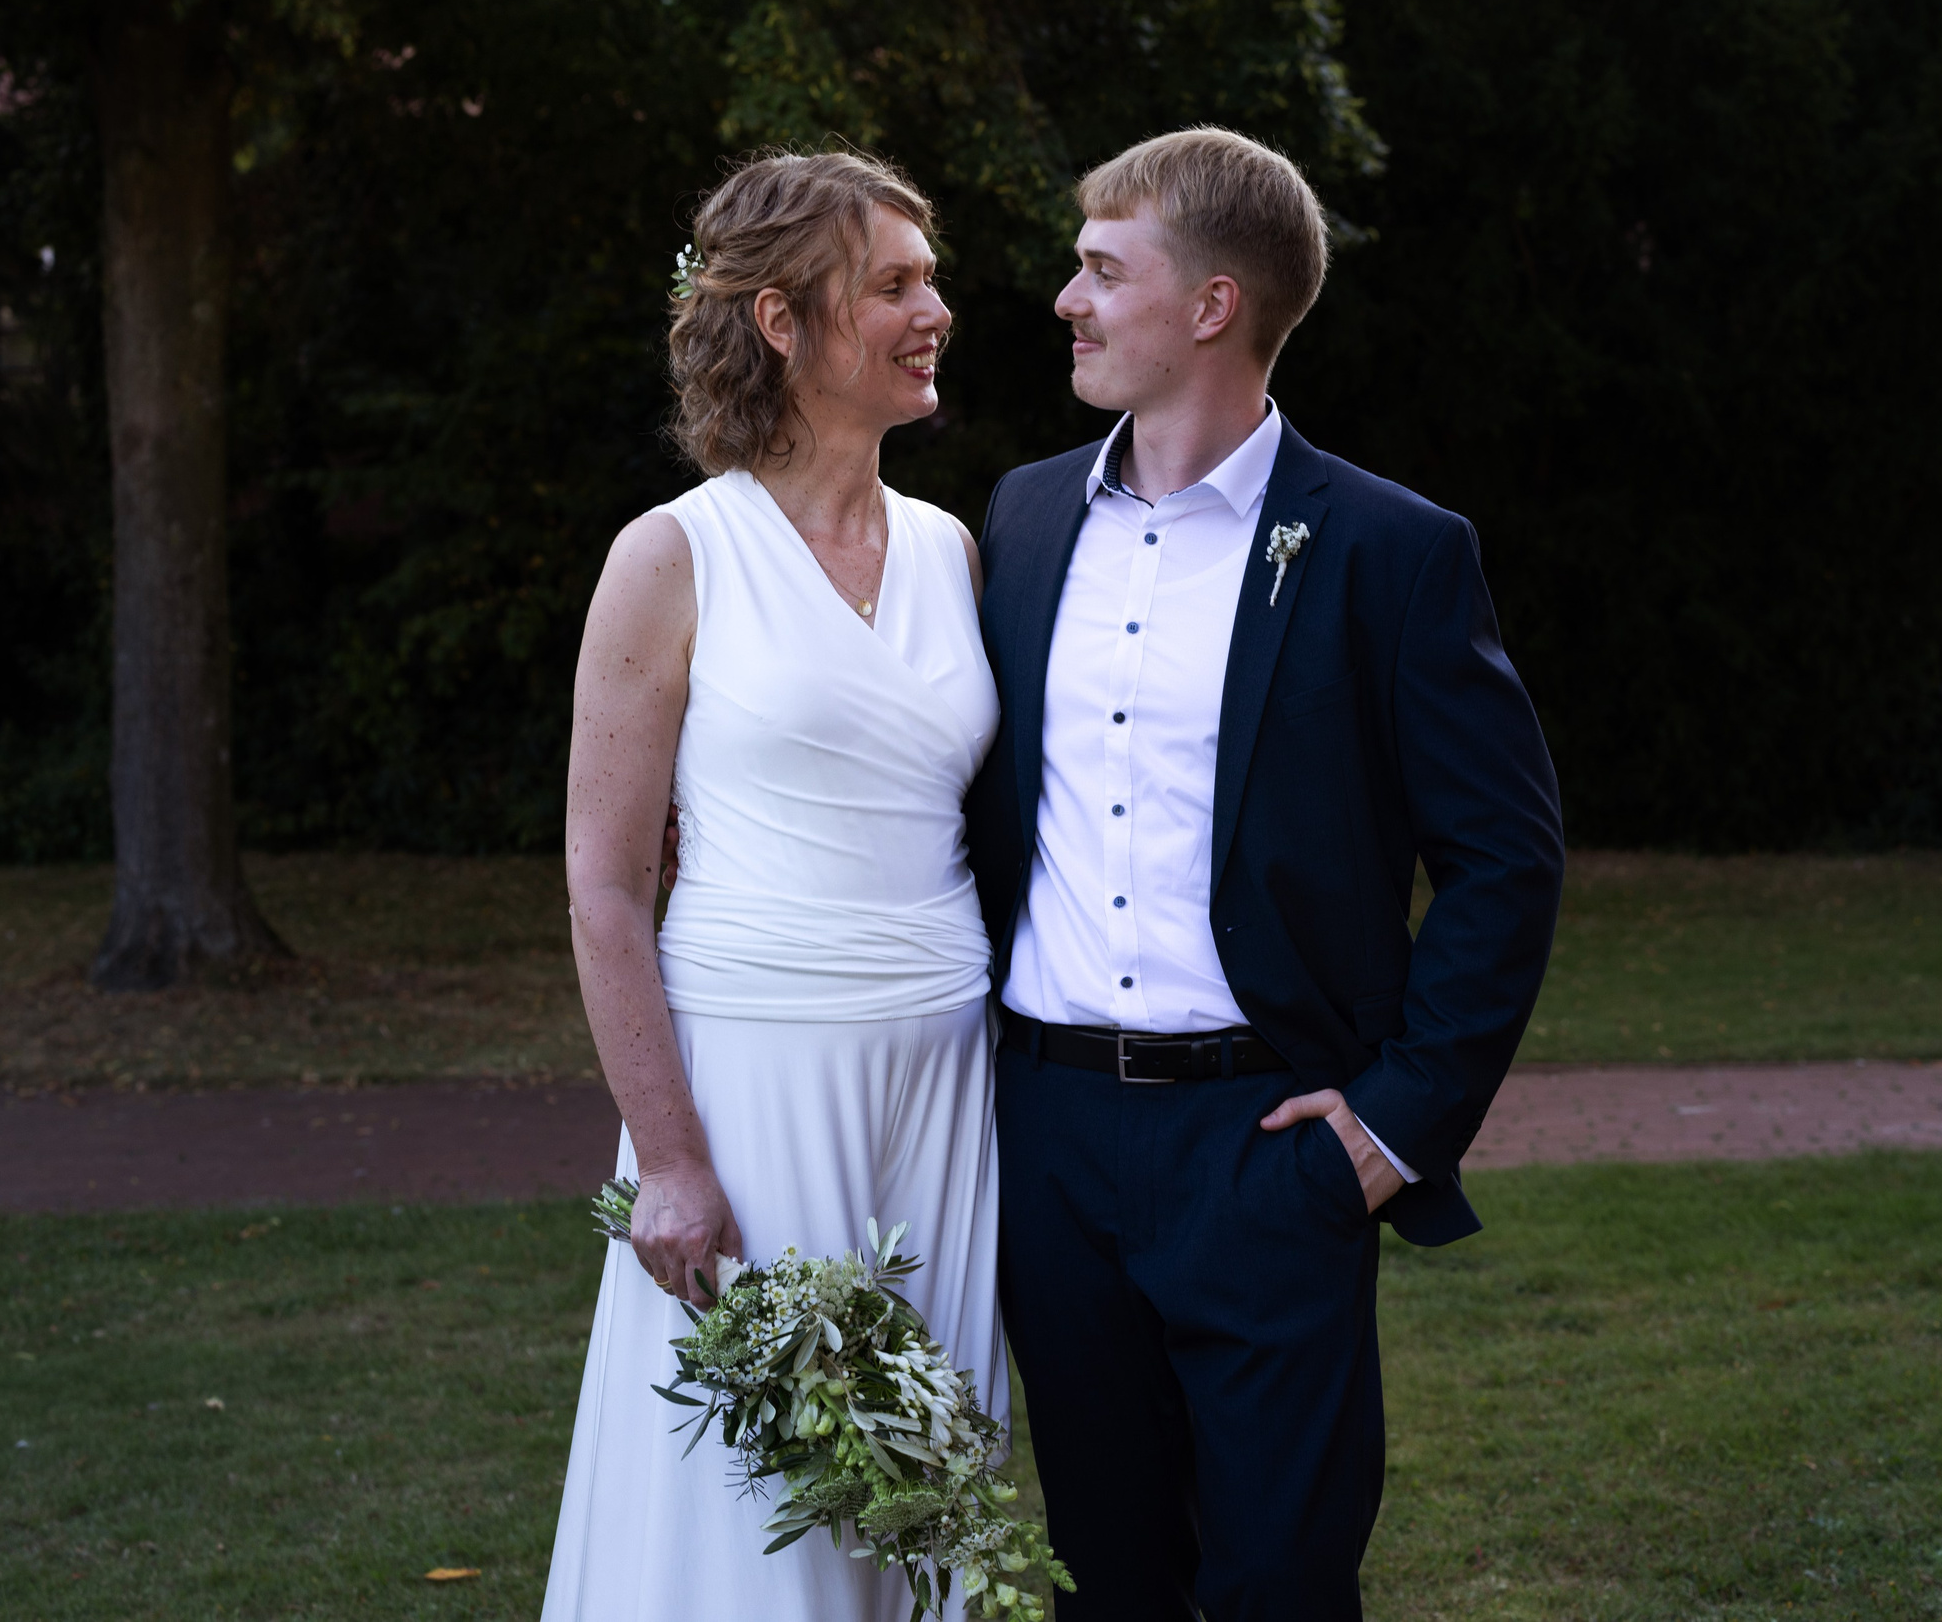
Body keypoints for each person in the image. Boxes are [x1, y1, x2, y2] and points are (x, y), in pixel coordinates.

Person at [963, 127, 1564, 1620]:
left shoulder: (1387, 549)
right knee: (1105, 1578)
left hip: (1271, 1140)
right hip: (1042, 1138)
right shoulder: (1021, 520)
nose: (1067, 300)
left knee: (1284, 1583)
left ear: (1215, 304)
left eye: (1104, 269)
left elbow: (1505, 856)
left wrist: (1393, 1125)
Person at [543, 150, 1003, 1622]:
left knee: (930, 1503)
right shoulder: (673, 557)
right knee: (759, 1523)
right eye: (896, 283)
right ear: (784, 320)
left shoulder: (955, 553)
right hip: (751, 1083)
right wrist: (669, 1160)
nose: (935, 308)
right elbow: (606, 886)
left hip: (949, 1083)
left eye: (929, 278)